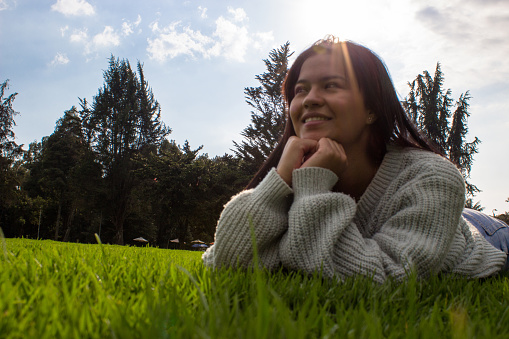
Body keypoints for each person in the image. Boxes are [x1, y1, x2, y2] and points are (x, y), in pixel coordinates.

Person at [202, 36, 509, 283]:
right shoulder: (300, 168)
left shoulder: (431, 176)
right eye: (301, 90)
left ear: (371, 109)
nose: (309, 99)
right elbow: (225, 263)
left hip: (484, 235)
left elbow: (389, 275)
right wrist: (279, 182)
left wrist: (313, 188)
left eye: (331, 85)